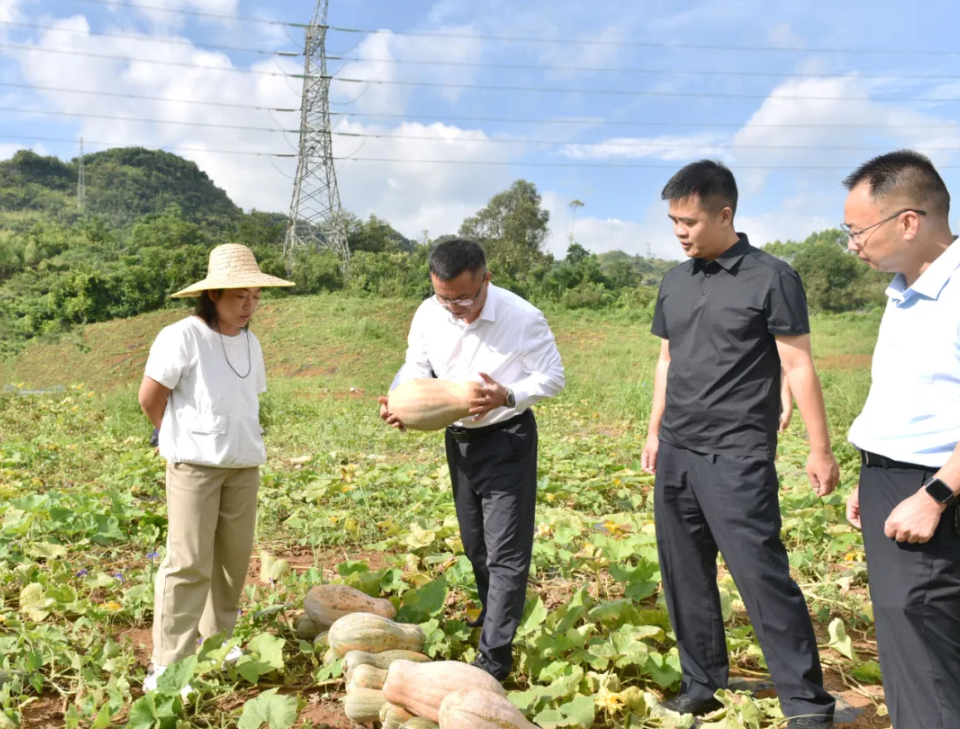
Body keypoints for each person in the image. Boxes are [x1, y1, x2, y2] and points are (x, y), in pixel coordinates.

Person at [642, 160, 839, 728]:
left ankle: (805, 703)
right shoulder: (675, 280)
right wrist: (654, 432)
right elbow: (666, 361)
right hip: (678, 449)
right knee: (684, 572)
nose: (680, 231)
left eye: (690, 221)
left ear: (725, 214)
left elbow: (798, 366)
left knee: (760, 574)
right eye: (673, 220)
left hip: (737, 454)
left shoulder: (771, 276)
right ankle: (702, 683)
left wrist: (818, 448)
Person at [378, 238, 565, 681]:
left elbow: (554, 377)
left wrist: (509, 394)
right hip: (460, 439)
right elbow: (415, 367)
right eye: (446, 298)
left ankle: (494, 658)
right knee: (475, 543)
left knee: (505, 551)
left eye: (465, 297)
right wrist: (400, 402)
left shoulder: (523, 317)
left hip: (508, 439)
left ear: (487, 279)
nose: (456, 307)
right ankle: (492, 616)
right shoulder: (429, 313)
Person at [137, 243, 294, 695]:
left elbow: (246, 402)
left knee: (231, 563)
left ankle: (217, 642)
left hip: (243, 466)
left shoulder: (250, 341)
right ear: (213, 296)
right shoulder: (182, 335)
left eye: (256, 296)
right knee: (187, 562)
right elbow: (151, 398)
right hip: (195, 467)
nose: (249, 304)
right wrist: (174, 437)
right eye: (239, 296)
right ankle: (167, 665)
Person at [842, 150, 960, 729]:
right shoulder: (905, 287)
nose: (852, 244)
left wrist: (936, 494)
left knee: (926, 647)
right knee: (906, 638)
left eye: (857, 230)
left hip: (935, 489)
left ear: (908, 221)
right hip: (894, 480)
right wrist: (874, 473)